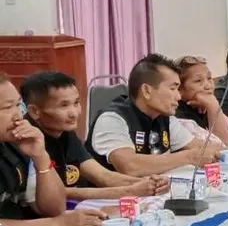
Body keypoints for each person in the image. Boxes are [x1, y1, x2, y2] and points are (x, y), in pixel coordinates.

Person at [19, 71, 169, 200]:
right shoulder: (27, 142)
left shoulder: (65, 132)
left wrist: (149, 183)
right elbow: (55, 194)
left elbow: (102, 175)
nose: (74, 113)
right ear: (35, 112)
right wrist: (129, 191)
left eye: (76, 103)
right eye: (63, 105)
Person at [0, 74, 107, 226]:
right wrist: (56, 225)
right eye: (8, 108)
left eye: (18, 105)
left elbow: (55, 209)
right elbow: (55, 220)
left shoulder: (16, 143)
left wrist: (41, 156)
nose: (18, 116)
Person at [89, 54, 225, 176]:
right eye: (173, 88)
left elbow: (202, 148)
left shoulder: (165, 118)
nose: (178, 96)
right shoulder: (112, 119)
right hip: (112, 195)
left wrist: (217, 152)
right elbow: (130, 166)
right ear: (146, 91)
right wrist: (189, 157)